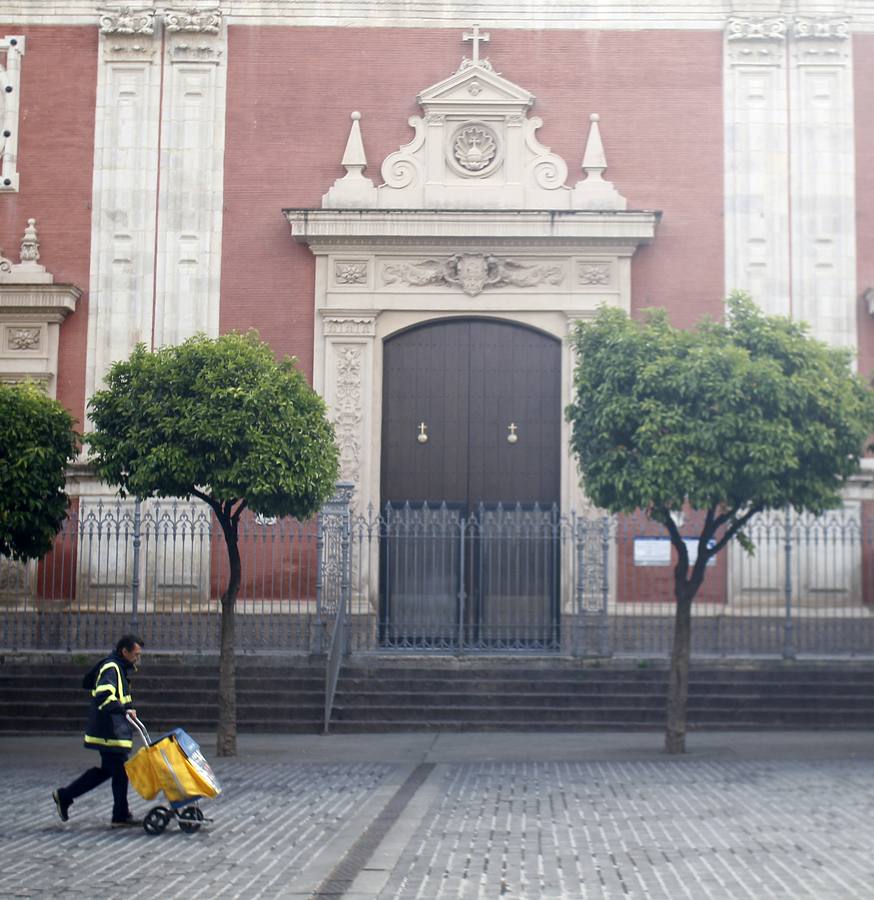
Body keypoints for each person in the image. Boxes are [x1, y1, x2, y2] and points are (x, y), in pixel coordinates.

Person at [52, 634, 144, 828]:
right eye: (135, 654)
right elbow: (104, 696)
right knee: (118, 771)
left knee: (110, 771)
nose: (137, 658)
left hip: (111, 731)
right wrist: (124, 709)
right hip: (108, 732)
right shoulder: (112, 668)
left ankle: (67, 796)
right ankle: (119, 814)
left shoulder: (118, 668)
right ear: (124, 652)